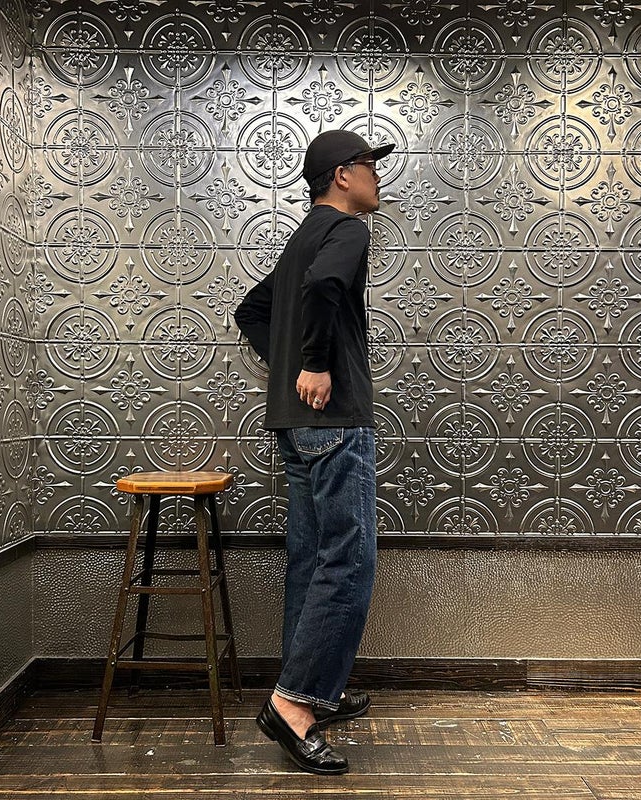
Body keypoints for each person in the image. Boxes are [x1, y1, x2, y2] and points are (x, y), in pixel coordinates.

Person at [234, 129, 395, 775]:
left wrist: (288, 371)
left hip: (295, 425)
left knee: (311, 559)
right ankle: (294, 705)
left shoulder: (304, 236)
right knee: (348, 560)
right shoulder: (348, 230)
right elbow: (326, 287)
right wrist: (315, 364)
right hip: (335, 420)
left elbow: (252, 311)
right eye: (369, 166)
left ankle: (312, 688)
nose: (377, 177)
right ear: (342, 175)